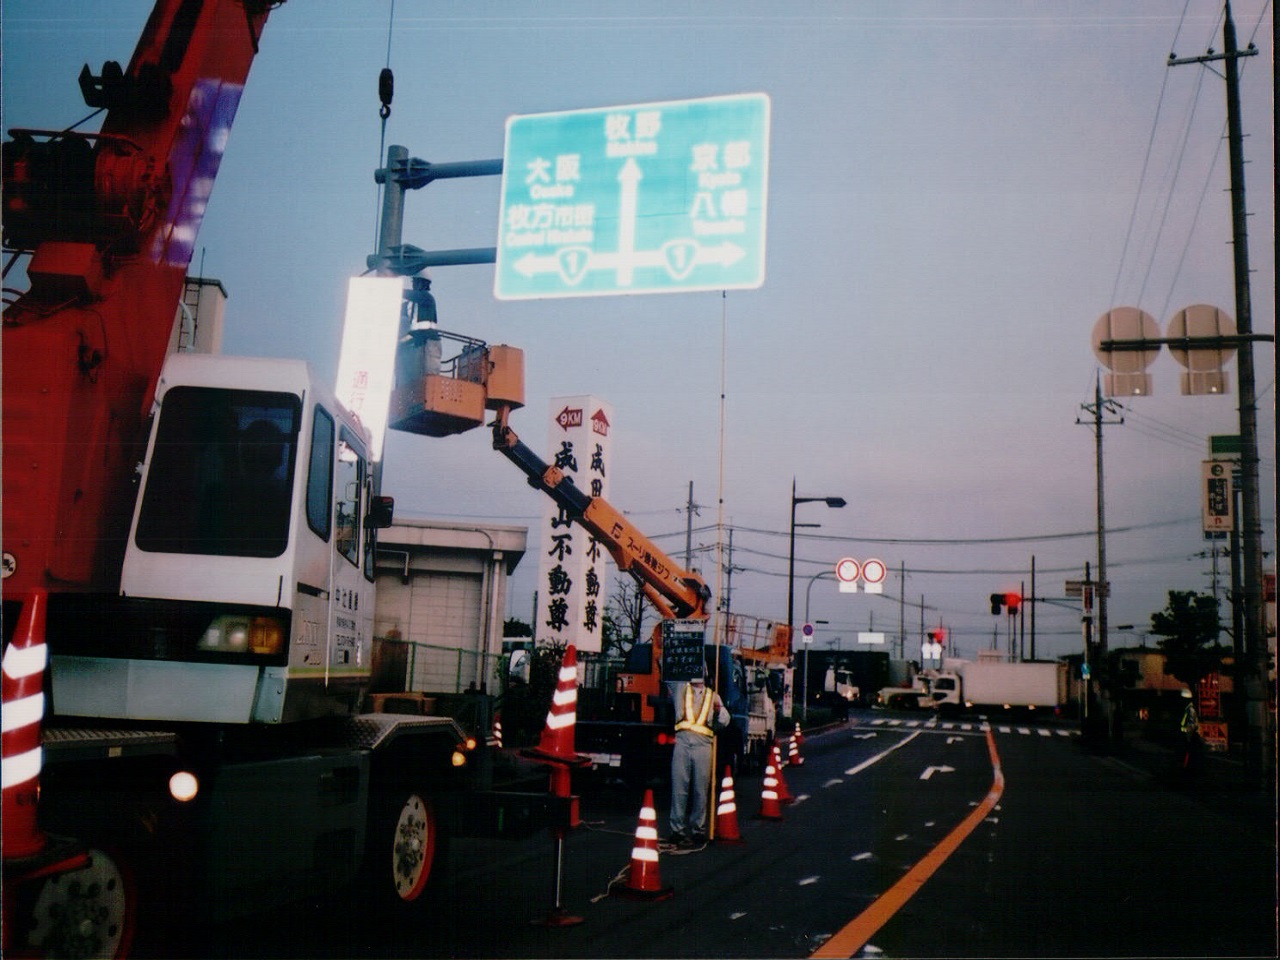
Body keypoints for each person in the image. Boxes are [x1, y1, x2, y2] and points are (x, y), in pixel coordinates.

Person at [668, 672, 729, 847]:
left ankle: (697, 830)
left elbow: (725, 720)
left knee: (700, 790)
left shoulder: (712, 695)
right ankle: (677, 831)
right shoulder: (680, 688)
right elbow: (668, 671)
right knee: (679, 788)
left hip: (703, 746)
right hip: (682, 743)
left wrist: (718, 713)